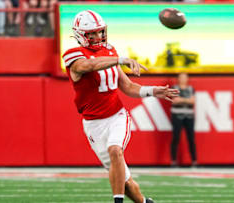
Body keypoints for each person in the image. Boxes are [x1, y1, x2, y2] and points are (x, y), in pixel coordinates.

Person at [62, 10, 179, 203]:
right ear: (81, 35)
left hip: (116, 116)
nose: (98, 37)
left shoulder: (109, 50)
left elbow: (128, 87)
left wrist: (153, 91)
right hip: (93, 125)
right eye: (92, 34)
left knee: (115, 149)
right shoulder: (73, 55)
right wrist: (120, 60)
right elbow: (88, 66)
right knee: (126, 183)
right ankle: (145, 202)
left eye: (100, 32)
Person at [170, 73, 197, 167]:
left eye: (185, 77)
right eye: (181, 77)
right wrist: (187, 100)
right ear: (178, 79)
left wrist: (182, 99)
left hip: (189, 116)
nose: (183, 79)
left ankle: (194, 161)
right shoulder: (174, 87)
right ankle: (173, 161)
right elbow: (175, 100)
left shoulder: (190, 89)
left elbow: (193, 101)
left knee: (191, 138)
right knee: (176, 137)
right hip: (177, 115)